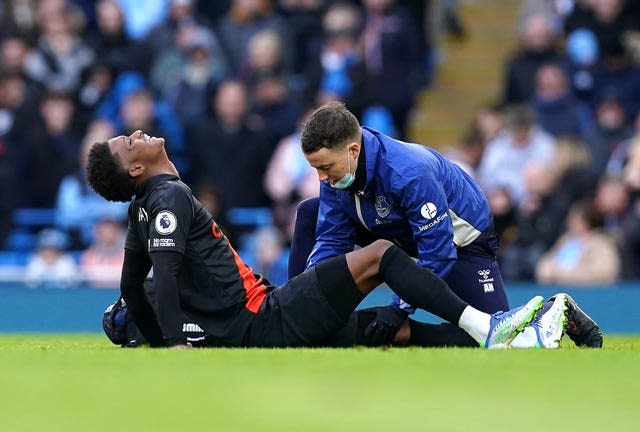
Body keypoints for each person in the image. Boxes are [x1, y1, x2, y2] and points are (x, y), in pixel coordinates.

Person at [85, 129, 563, 349]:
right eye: (129, 142)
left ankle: (508, 335)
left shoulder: (142, 209)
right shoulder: (168, 198)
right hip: (264, 316)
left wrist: (149, 340)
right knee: (381, 255)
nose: (137, 133)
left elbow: (133, 285)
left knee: (382, 329)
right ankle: (490, 329)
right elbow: (162, 276)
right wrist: (171, 344)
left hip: (262, 319)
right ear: (135, 168)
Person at [290, 101, 602, 349]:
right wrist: (311, 298)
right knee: (310, 212)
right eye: (316, 168)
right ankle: (293, 313)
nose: (321, 177)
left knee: (485, 336)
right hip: (395, 232)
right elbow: (331, 241)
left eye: (325, 167)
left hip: (463, 244)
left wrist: (397, 310)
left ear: (353, 150)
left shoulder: (407, 172)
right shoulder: (335, 173)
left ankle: (555, 311)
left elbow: (438, 252)